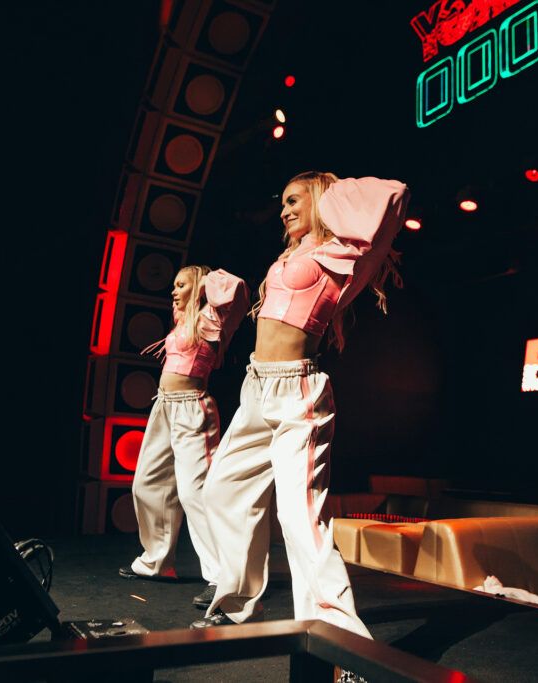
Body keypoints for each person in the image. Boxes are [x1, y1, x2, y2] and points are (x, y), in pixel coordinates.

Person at [192, 172, 409, 638]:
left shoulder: (341, 252)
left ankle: (342, 637)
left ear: (320, 199)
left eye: (295, 200)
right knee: (221, 491)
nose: (285, 210)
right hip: (256, 387)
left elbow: (394, 194)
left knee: (299, 517)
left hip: (297, 393)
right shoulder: (292, 254)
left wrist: (329, 196)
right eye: (283, 203)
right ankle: (237, 603)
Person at [120, 265, 249, 610]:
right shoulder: (184, 320)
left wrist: (204, 280)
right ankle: (156, 561)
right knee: (146, 483)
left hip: (193, 409)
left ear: (199, 288)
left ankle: (222, 576)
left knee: (195, 493)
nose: (173, 291)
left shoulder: (210, 318)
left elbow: (237, 288)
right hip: (163, 407)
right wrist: (189, 293)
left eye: (181, 285)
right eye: (174, 285)